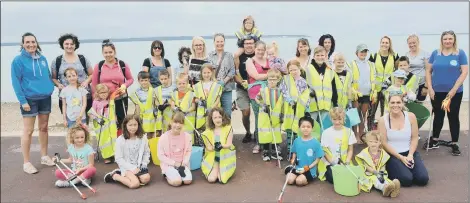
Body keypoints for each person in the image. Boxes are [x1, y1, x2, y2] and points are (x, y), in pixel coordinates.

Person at [11, 32, 55, 174]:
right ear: (22, 44)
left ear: (37, 43)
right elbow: (16, 82)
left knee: (44, 128)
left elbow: (47, 76)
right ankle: (26, 162)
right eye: (27, 42)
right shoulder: (18, 61)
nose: (31, 44)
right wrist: (22, 100)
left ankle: (44, 156)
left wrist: (52, 87)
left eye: (33, 42)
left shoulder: (42, 58)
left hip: (45, 98)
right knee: (28, 131)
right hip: (29, 99)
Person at [426, 30, 468, 155]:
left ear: (454, 40)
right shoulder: (435, 53)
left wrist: (454, 89)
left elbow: (464, 72)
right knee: (438, 115)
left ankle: (454, 143)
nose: (448, 41)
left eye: (450, 39)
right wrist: (430, 88)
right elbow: (428, 71)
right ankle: (435, 139)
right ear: (442, 40)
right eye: (445, 39)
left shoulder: (460, 53)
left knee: (453, 116)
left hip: (454, 93)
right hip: (437, 92)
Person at [378, 93, 429, 187]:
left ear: (403, 104)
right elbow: (384, 143)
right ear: (388, 104)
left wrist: (410, 155)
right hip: (393, 155)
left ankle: (406, 168)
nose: (395, 105)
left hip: (409, 152)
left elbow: (414, 138)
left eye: (398, 102)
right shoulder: (382, 120)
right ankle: (393, 169)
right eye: (392, 102)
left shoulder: (411, 116)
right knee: (407, 180)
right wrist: (401, 158)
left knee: (423, 179)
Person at [91, 39, 134, 133]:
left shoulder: (122, 65)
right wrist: (95, 100)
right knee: (107, 123)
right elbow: (94, 84)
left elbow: (130, 79)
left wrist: (124, 86)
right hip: (104, 100)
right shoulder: (99, 66)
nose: (108, 54)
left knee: (122, 123)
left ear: (114, 52)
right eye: (105, 52)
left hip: (120, 98)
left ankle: (121, 143)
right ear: (102, 53)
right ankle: (108, 145)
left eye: (110, 52)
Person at [51, 34, 93, 123]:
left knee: (84, 124)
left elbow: (92, 74)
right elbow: (53, 78)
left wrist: (86, 81)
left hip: (84, 96)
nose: (69, 46)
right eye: (66, 44)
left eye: (72, 44)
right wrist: (58, 84)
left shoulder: (82, 59)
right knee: (71, 124)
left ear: (75, 45)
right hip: (66, 97)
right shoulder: (57, 61)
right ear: (62, 45)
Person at [103, 114, 151, 189]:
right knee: (134, 184)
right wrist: (132, 168)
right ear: (125, 125)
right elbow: (118, 158)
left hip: (139, 166)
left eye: (135, 125)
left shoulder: (143, 138)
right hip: (126, 167)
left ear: (139, 125)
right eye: (130, 125)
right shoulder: (120, 140)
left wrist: (144, 164)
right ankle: (115, 176)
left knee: (146, 179)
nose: (133, 127)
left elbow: (146, 153)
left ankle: (131, 176)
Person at [355, 131, 401, 197]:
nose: (373, 144)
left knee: (384, 179)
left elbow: (383, 164)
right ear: (367, 142)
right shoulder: (364, 153)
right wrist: (374, 172)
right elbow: (366, 166)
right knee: (376, 180)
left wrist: (381, 172)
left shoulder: (382, 153)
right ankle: (384, 189)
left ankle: (393, 190)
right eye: (371, 142)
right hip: (369, 174)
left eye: (375, 142)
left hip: (380, 172)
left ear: (379, 143)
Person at [318, 107, 356, 183]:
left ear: (344, 119)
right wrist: (333, 163)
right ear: (331, 119)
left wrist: (348, 161)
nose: (337, 122)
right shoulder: (326, 132)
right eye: (334, 119)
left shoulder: (349, 132)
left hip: (345, 161)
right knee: (334, 177)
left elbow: (350, 150)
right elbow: (324, 151)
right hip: (329, 162)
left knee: (352, 176)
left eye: (340, 119)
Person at [279, 60, 309, 157]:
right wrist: (290, 100)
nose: (293, 72)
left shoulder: (303, 82)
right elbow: (283, 91)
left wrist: (303, 105)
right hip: (289, 109)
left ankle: (297, 151)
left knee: (297, 131)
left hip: (299, 110)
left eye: (295, 69)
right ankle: (289, 150)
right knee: (289, 130)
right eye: (291, 70)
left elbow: (306, 95)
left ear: (299, 68)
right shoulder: (286, 79)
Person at [246, 40, 271, 154]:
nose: (260, 52)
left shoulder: (269, 60)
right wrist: (271, 75)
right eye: (258, 49)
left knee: (270, 116)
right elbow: (255, 76)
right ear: (255, 49)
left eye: (262, 49)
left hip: (270, 92)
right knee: (258, 117)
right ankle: (258, 141)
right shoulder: (250, 61)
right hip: (255, 93)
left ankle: (269, 141)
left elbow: (279, 71)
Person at [284, 114, 324, 186]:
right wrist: (293, 159)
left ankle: (305, 177)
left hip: (309, 169)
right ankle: (291, 170)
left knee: (299, 181)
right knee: (289, 180)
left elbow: (318, 159)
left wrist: (307, 168)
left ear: (312, 128)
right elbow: (294, 152)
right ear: (299, 128)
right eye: (303, 127)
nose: (306, 129)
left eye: (308, 127)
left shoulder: (316, 142)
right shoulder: (296, 141)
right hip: (297, 168)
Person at [349, 44, 376, 143]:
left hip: (367, 93)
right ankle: (355, 135)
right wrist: (353, 91)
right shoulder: (351, 64)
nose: (363, 53)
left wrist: (374, 92)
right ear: (357, 53)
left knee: (363, 114)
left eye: (365, 51)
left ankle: (361, 134)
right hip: (356, 94)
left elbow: (373, 78)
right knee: (355, 115)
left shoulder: (371, 64)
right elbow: (349, 80)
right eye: (361, 51)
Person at [157, 112, 193, 187]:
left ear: (183, 124)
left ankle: (176, 174)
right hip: (169, 165)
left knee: (187, 181)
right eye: (175, 122)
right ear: (170, 122)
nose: (178, 125)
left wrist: (184, 162)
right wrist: (174, 163)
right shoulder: (164, 137)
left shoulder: (187, 136)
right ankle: (166, 175)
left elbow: (188, 151)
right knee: (177, 182)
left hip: (182, 165)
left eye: (180, 123)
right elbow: (160, 156)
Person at [201, 107, 236, 183]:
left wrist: (221, 146)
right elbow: (209, 148)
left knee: (221, 180)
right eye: (215, 117)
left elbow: (229, 145)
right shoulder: (208, 131)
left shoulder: (228, 128)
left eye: (220, 117)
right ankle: (216, 170)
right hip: (214, 160)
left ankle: (220, 171)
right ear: (211, 119)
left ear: (223, 117)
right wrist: (214, 148)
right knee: (211, 179)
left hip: (225, 160)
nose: (218, 119)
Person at [255, 68, 283, 161]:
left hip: (276, 117)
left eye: (274, 79)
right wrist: (262, 104)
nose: (271, 81)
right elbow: (257, 98)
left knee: (276, 133)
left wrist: (282, 114)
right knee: (266, 133)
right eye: (270, 79)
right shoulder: (263, 90)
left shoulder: (280, 92)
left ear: (278, 80)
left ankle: (276, 151)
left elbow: (282, 104)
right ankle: (266, 151)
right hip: (265, 116)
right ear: (267, 79)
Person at [305, 46, 339, 122]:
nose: (320, 57)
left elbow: (333, 88)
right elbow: (304, 86)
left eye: (322, 55)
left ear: (325, 56)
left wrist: (335, 104)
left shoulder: (330, 70)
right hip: (312, 105)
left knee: (324, 127)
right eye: (318, 55)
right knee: (312, 127)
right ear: (313, 56)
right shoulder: (308, 69)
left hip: (326, 105)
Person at [369, 36, 399, 119]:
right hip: (375, 89)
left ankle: (385, 130)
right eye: (383, 42)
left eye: (386, 43)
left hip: (388, 88)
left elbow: (398, 71)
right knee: (372, 112)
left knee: (386, 112)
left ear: (389, 44)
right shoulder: (373, 56)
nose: (384, 44)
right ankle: (370, 130)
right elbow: (369, 71)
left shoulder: (394, 56)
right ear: (380, 43)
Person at [207, 33, 236, 118]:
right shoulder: (209, 55)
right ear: (214, 42)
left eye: (221, 41)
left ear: (224, 42)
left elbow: (232, 71)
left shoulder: (229, 55)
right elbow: (207, 71)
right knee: (214, 113)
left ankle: (227, 130)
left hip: (226, 88)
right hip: (213, 88)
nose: (219, 43)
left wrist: (223, 81)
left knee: (227, 113)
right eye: (217, 41)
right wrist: (215, 82)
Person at [87, 84, 118, 164]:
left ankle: (112, 154)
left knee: (112, 139)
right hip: (101, 124)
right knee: (103, 141)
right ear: (97, 93)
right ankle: (106, 156)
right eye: (101, 93)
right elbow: (91, 113)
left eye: (105, 92)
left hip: (110, 125)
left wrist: (115, 119)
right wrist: (98, 119)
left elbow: (112, 111)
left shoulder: (109, 101)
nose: (104, 94)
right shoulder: (95, 102)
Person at [234, 35, 256, 144]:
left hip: (256, 89)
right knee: (246, 112)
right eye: (246, 43)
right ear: (243, 45)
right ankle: (248, 132)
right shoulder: (238, 56)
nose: (249, 45)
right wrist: (242, 83)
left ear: (254, 44)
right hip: (242, 88)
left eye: (251, 43)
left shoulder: (258, 54)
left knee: (259, 113)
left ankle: (258, 133)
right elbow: (235, 73)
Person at [193, 64, 222, 134]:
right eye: (204, 73)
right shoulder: (197, 86)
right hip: (201, 113)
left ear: (212, 73)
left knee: (213, 129)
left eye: (208, 72)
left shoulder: (217, 85)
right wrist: (199, 101)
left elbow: (218, 99)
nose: (206, 75)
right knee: (202, 132)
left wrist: (212, 108)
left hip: (214, 111)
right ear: (201, 73)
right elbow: (195, 98)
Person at [129, 71, 157, 140]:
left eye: (146, 80)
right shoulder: (136, 92)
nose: (144, 82)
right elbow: (136, 106)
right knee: (141, 137)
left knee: (151, 138)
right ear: (138, 81)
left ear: (149, 80)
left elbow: (155, 104)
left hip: (151, 119)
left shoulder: (153, 91)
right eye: (142, 80)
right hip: (141, 119)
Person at [170, 73, 197, 143]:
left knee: (188, 138)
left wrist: (186, 111)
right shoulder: (174, 94)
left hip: (188, 121)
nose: (181, 85)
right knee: (178, 138)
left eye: (183, 83)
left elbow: (193, 107)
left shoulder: (191, 94)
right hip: (178, 121)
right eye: (179, 84)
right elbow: (172, 105)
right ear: (176, 84)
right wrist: (175, 108)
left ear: (187, 83)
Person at [405, 34, 430, 102]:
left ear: (418, 42)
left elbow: (429, 71)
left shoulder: (425, 54)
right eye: (410, 43)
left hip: (422, 84)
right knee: (409, 103)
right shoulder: (406, 54)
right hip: (410, 84)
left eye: (414, 42)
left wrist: (426, 86)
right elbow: (404, 69)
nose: (412, 45)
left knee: (419, 104)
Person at [155, 69, 175, 135]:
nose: (164, 81)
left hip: (171, 113)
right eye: (162, 79)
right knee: (162, 131)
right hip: (161, 113)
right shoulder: (157, 89)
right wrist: (158, 105)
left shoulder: (173, 88)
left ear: (169, 78)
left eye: (165, 79)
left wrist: (169, 103)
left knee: (171, 129)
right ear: (159, 79)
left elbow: (176, 99)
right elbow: (155, 100)